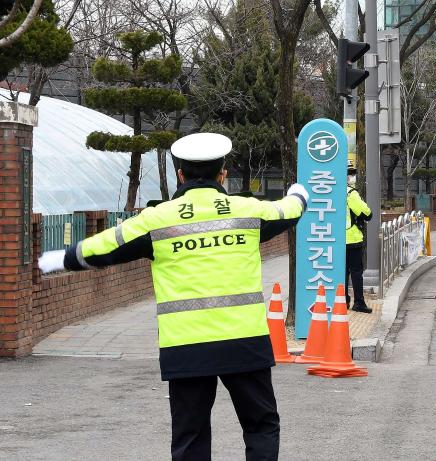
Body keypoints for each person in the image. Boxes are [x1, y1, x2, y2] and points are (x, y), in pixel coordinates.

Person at [36, 133, 308, 461]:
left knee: (190, 436)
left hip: (186, 346)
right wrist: (299, 194)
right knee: (260, 425)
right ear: (223, 173)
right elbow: (288, 211)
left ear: (180, 174)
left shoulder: (157, 219)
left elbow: (106, 245)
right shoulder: (246, 211)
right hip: (244, 341)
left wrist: (57, 260)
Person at [345, 162, 373, 313]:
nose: (352, 176)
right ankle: (359, 302)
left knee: (341, 273)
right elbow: (367, 213)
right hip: (352, 238)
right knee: (356, 271)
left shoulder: (330, 192)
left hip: (335, 240)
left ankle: (342, 302)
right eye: (351, 173)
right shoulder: (350, 193)